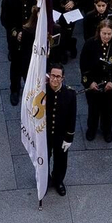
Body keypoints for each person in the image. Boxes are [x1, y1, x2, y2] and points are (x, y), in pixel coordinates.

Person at [79, 19, 112, 142]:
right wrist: (90, 82)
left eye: (109, 34)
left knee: (108, 110)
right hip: (94, 82)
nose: (106, 37)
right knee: (93, 109)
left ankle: (107, 129)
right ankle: (92, 128)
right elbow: (83, 65)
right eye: (104, 33)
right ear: (99, 32)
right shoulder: (90, 44)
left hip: (111, 84)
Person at [43, 62, 77, 195]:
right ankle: (44, 180)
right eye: (53, 75)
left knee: (61, 160)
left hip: (60, 135)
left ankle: (58, 181)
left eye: (58, 76)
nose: (55, 79)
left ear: (62, 78)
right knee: (44, 159)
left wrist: (69, 137)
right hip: (44, 134)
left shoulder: (70, 94)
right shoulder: (42, 91)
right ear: (49, 75)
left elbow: (71, 118)